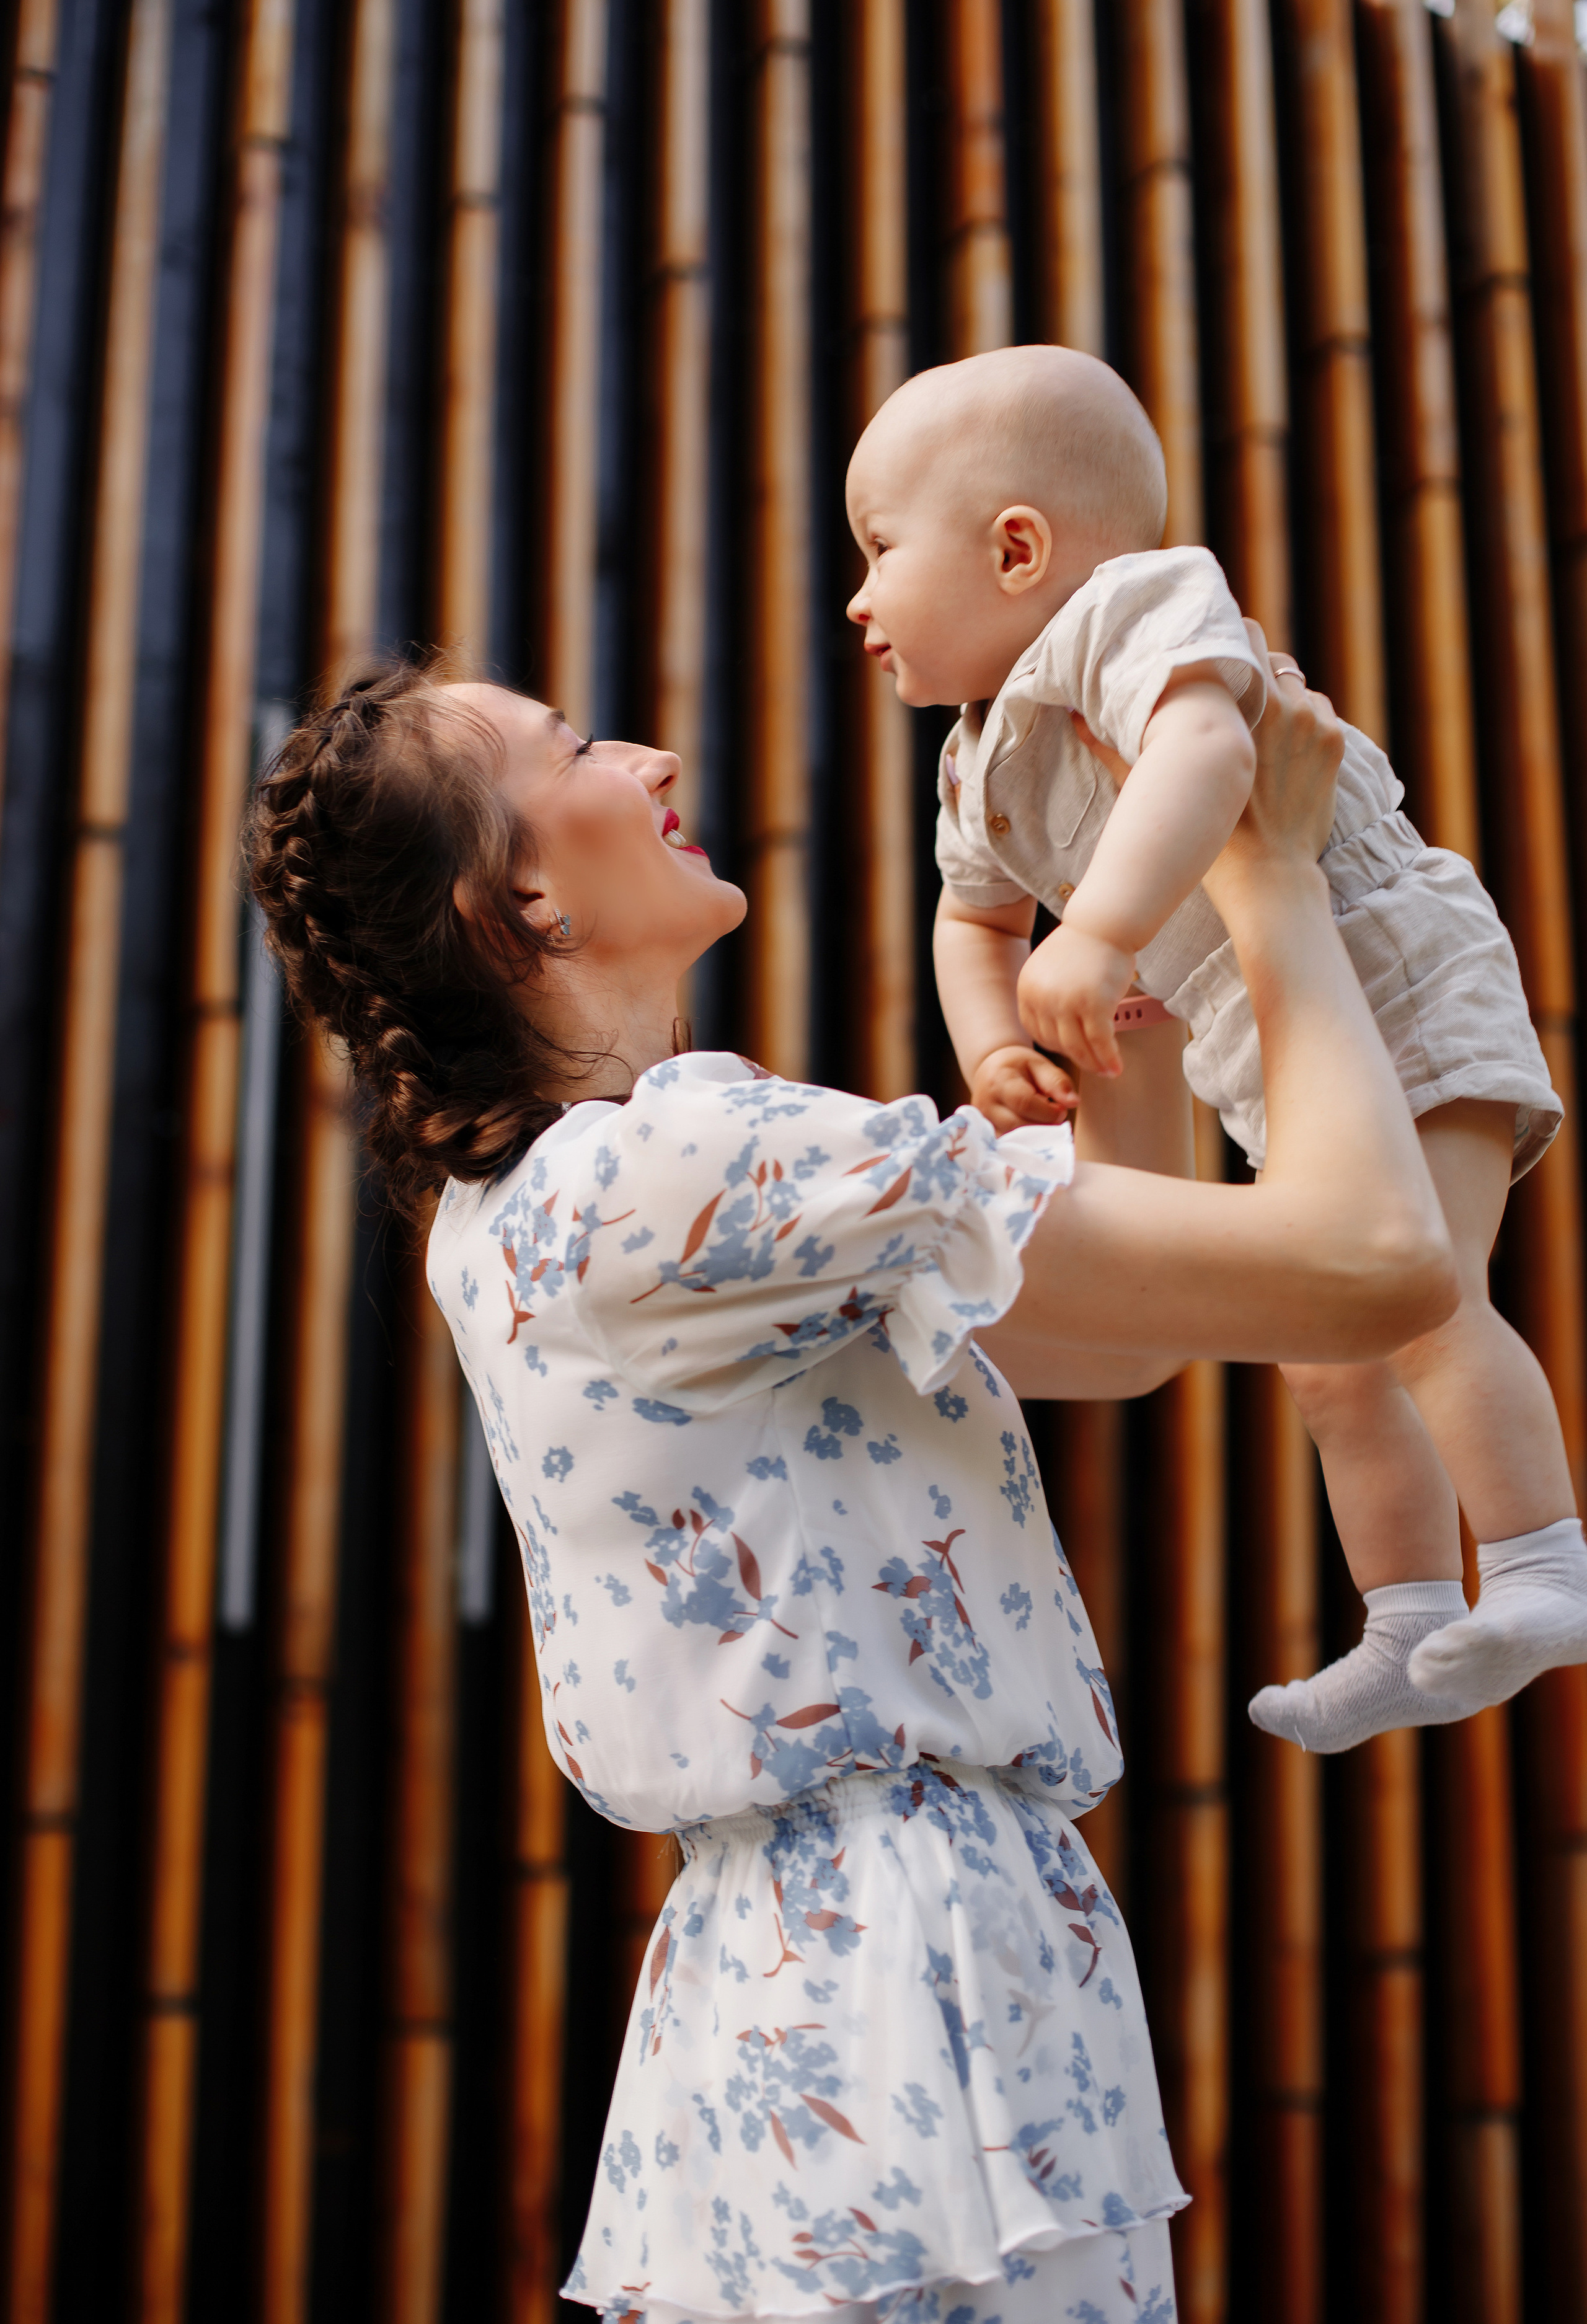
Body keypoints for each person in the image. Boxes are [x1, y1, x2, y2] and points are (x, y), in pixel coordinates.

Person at [243, 649, 1451, 2324]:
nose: (656, 753)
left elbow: (1116, 1345)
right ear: (521, 889)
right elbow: (1374, 1265)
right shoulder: (686, 1164)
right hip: (911, 1972)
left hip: (802, 1972)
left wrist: (1132, 973)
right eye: (577, 744)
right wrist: (1267, 874)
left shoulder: (535, 1209)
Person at [846, 342, 1587, 1756]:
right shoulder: (969, 755)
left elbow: (1208, 757)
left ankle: (1542, 1565)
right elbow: (968, 925)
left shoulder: (1134, 605)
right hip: (1273, 1031)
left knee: (1421, 1295)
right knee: (1322, 1351)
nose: (858, 596)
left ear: (1017, 550)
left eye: (879, 549)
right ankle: (1412, 1616)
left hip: (1387, 967)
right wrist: (998, 1048)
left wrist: (1102, 932)